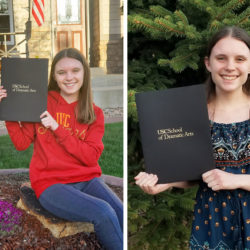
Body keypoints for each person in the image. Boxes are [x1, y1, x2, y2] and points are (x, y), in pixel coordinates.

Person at [135, 26, 250, 249]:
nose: (230, 67)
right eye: (221, 58)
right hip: (212, 220)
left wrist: (236, 180)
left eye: (240, 59)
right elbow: (195, 173)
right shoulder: (190, 112)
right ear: (208, 63)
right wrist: (165, 182)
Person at [0, 48, 123, 250]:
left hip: (86, 179)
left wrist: (58, 128)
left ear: (84, 73)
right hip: (51, 184)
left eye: (75, 70)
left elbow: (91, 157)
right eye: (61, 72)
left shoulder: (94, 113)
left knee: (120, 211)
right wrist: (9, 110)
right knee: (103, 212)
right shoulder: (40, 102)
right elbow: (21, 143)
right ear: (54, 77)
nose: (69, 77)